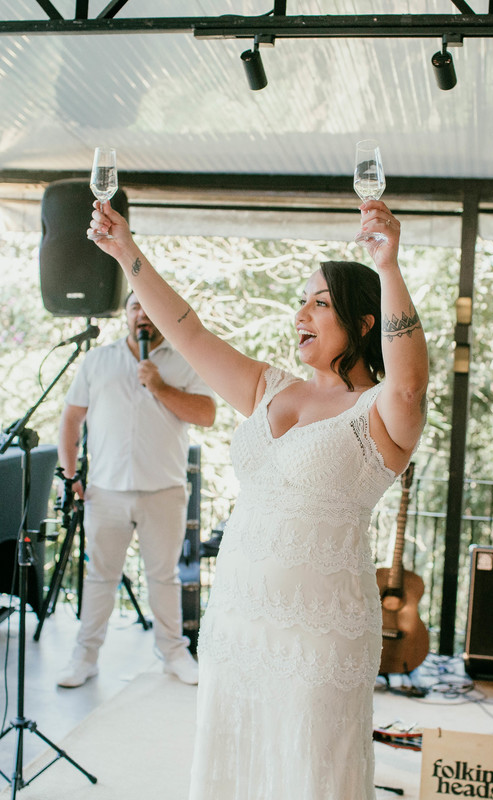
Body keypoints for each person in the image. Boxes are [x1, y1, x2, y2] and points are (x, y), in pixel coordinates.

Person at [88, 197, 428, 799]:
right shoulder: (269, 386)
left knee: (309, 772)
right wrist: (125, 251)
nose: (301, 313)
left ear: (365, 321)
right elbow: (187, 329)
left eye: (320, 302)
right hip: (237, 622)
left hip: (320, 635)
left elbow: (408, 381)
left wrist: (389, 267)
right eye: (302, 299)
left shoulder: (379, 411)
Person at [55, 292, 217, 688]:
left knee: (164, 578)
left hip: (164, 489)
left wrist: (160, 387)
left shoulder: (185, 360)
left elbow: (207, 414)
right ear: (126, 314)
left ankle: (175, 655)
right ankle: (85, 657)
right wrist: (70, 473)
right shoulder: (98, 360)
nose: (142, 313)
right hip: (105, 492)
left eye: (149, 306)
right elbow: (71, 418)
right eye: (135, 307)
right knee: (99, 579)